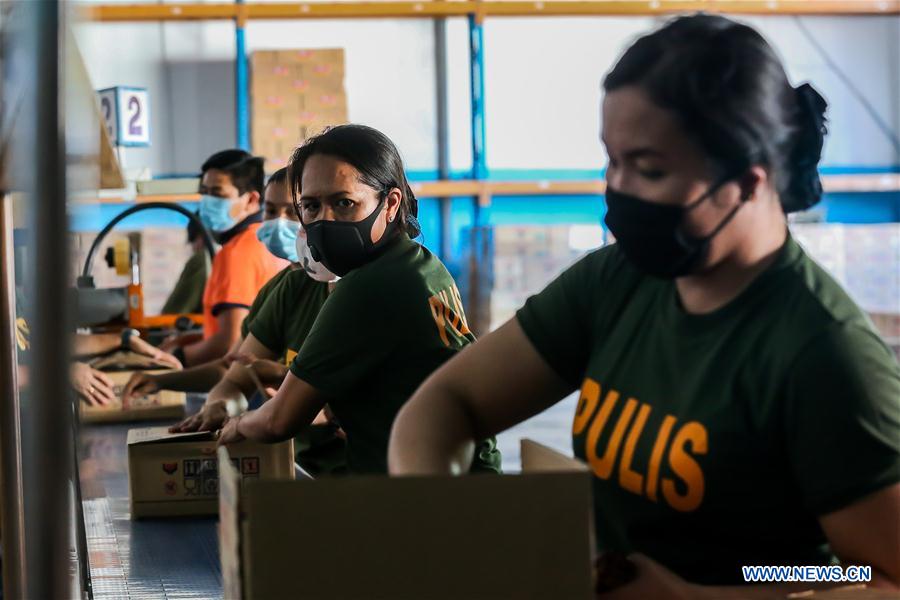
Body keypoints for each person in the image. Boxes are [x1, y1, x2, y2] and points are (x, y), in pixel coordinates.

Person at [388, 14, 900, 595]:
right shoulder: (621, 281)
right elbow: (446, 403)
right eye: (613, 160)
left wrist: (700, 596)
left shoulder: (823, 354)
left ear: (750, 183)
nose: (620, 189)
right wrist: (442, 522)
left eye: (650, 169)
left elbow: (870, 574)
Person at [215, 124, 502, 475]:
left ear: (391, 203)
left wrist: (237, 425)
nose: (325, 221)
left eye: (344, 203)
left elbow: (279, 421)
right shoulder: (420, 263)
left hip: (431, 499)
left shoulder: (368, 287)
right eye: (311, 206)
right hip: (460, 480)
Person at [123, 168, 305, 400]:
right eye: (271, 211)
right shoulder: (282, 286)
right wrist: (160, 380)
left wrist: (178, 356)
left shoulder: (237, 254)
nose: (279, 221)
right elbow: (231, 369)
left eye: (293, 211)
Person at [165, 149, 288, 368]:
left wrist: (175, 358)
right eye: (205, 192)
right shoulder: (265, 243)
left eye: (218, 194)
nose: (207, 202)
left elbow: (229, 342)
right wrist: (187, 340)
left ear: (251, 199)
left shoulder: (236, 253)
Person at [160, 212, 210, 316]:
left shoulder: (203, 259)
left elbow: (173, 313)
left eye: (193, 242)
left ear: (199, 236)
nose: (193, 248)